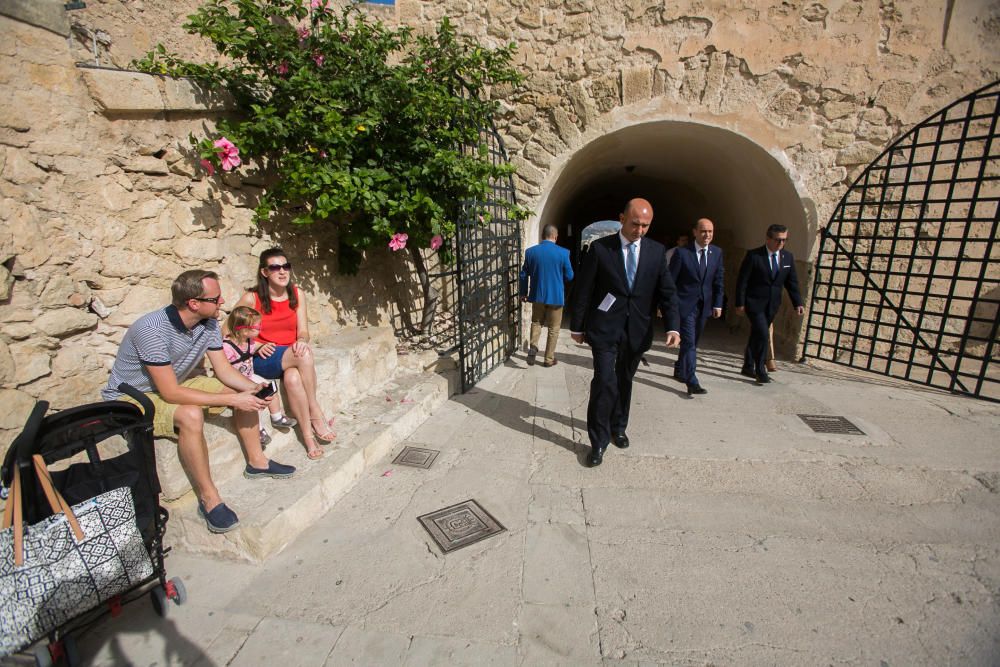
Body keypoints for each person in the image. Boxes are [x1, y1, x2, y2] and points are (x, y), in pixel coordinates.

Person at [101, 270, 296, 535]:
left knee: (247, 391)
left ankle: (257, 462)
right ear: (194, 303)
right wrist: (231, 398)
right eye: (216, 299)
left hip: (175, 383)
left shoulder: (209, 324)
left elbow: (225, 371)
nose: (223, 302)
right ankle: (209, 498)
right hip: (132, 397)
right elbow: (169, 393)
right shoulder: (152, 330)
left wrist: (253, 387)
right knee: (191, 415)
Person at [570, 198, 681, 467]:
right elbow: (584, 289)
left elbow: (667, 292)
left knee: (624, 380)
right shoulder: (600, 249)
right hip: (605, 329)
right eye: (635, 224)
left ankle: (618, 426)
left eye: (645, 226)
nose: (639, 230)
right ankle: (598, 442)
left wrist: (673, 326)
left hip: (637, 330)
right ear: (622, 219)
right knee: (604, 381)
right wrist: (578, 325)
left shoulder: (656, 252)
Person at [236, 248, 335, 459]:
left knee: (293, 378)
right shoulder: (251, 298)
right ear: (264, 272)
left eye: (286, 266)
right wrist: (256, 346)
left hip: (289, 356)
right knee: (304, 355)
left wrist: (301, 340)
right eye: (275, 267)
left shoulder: (297, 294)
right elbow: (228, 331)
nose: (282, 272)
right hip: (263, 359)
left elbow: (304, 331)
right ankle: (315, 410)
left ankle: (308, 438)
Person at [734, 224, 804, 383]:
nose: (781, 243)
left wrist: (797, 303)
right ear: (768, 239)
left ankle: (747, 365)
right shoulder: (754, 256)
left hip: (773, 304)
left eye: (785, 240)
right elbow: (742, 282)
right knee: (763, 334)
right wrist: (740, 303)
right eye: (778, 240)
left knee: (757, 333)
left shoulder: (787, 257)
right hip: (754, 303)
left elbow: (791, 283)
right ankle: (760, 369)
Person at [222, 306, 299, 450]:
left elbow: (255, 348)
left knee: (269, 387)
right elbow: (223, 368)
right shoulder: (227, 347)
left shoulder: (249, 341)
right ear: (244, 330)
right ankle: (258, 430)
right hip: (236, 381)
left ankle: (277, 417)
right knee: (255, 401)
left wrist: (262, 347)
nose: (261, 329)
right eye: (257, 327)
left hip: (249, 376)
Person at [668, 217, 724, 396]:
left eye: (710, 231)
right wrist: (668, 305)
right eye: (703, 231)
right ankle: (692, 380)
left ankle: (679, 368)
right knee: (690, 342)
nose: (707, 235)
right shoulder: (682, 253)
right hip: (685, 305)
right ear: (695, 232)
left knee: (693, 342)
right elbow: (671, 281)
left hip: (705, 305)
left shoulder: (716, 253)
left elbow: (718, 280)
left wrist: (718, 303)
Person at [519, 224, 574, 367]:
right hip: (556, 296)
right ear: (556, 236)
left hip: (537, 295)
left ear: (542, 236)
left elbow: (523, 274)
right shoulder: (563, 253)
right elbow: (570, 275)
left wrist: (523, 293)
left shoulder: (531, 252)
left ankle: (533, 347)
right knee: (553, 328)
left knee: (536, 322)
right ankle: (548, 359)